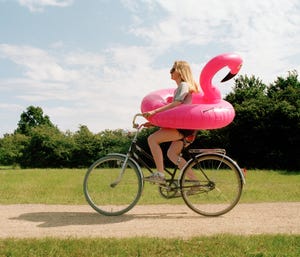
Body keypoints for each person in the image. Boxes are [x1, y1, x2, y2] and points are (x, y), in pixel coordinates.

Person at [142, 60, 199, 184]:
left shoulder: (184, 85)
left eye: (173, 69)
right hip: (186, 128)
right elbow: (173, 115)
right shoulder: (182, 87)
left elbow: (176, 104)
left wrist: (154, 112)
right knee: (172, 154)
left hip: (183, 128)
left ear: (179, 71)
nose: (170, 71)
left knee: (152, 139)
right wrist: (154, 123)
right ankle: (195, 182)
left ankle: (160, 174)